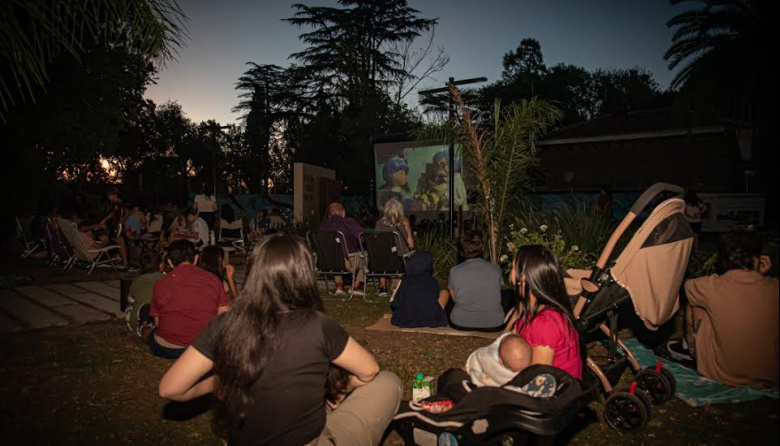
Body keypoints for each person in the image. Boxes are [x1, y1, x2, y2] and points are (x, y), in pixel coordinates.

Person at [157, 234, 403, 446]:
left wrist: (220, 381)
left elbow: (170, 388)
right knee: (388, 382)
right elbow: (369, 371)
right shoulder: (317, 324)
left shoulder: (224, 324)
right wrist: (338, 389)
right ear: (304, 274)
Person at [670, 231, 778, 388]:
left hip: (719, 372)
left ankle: (689, 346)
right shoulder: (774, 287)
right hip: (768, 374)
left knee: (698, 302)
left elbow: (686, 286)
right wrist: (759, 274)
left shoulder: (710, 286)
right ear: (757, 259)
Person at [506, 245, 583, 379]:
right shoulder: (532, 310)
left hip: (555, 393)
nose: (510, 272)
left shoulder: (546, 323)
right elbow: (503, 344)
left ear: (523, 277)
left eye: (513, 267)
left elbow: (538, 378)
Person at [149, 240, 231, 359]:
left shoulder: (161, 283)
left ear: (170, 262)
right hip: (205, 348)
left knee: (152, 333)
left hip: (169, 348)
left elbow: (157, 322)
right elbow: (224, 316)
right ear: (196, 258)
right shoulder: (213, 279)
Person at [439, 231, 506, 331]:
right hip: (494, 322)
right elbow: (497, 292)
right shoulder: (496, 269)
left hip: (461, 322)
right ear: (482, 248)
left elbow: (455, 298)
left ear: (462, 251)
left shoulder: (454, 271)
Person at [318, 202, 366, 295]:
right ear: (343, 212)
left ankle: (339, 286)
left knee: (335, 254)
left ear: (329, 215)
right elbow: (362, 237)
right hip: (347, 263)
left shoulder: (322, 226)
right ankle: (355, 286)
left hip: (328, 263)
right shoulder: (347, 222)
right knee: (367, 256)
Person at [374, 198, 414, 296]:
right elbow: (411, 244)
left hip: (382, 261)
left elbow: (376, 243)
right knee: (404, 254)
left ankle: (383, 287)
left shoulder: (379, 223)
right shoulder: (404, 222)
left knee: (382, 254)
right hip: (399, 261)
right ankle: (397, 286)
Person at [466, 333, 532, 387]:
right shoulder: (525, 379)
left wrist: (505, 336)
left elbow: (487, 350)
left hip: (484, 387)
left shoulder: (492, 358)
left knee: (479, 358)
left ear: (500, 361)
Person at [125, 251, 165, 342]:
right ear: (161, 266)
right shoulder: (167, 279)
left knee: (130, 308)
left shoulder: (137, 280)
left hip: (140, 315)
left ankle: (144, 328)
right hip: (161, 315)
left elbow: (130, 301)